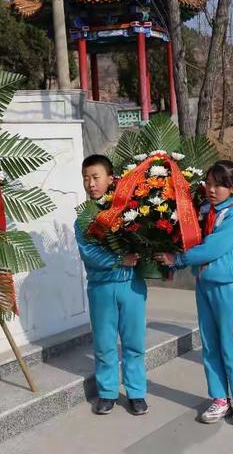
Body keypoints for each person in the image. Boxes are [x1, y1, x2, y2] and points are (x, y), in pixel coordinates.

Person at [154, 160, 233, 426]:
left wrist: (177, 259)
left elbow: (211, 248)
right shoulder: (206, 209)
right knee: (209, 344)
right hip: (204, 286)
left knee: (231, 344)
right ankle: (220, 398)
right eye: (208, 183)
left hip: (226, 288)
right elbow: (190, 233)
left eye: (218, 185)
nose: (211, 189)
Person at [74, 154, 149, 416]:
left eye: (96, 177)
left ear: (110, 178)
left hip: (131, 287)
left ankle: (136, 393)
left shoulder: (131, 211)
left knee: (134, 342)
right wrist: (119, 259)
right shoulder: (83, 219)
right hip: (101, 288)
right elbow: (89, 254)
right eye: (86, 178)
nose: (90, 184)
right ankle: (107, 393)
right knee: (104, 343)